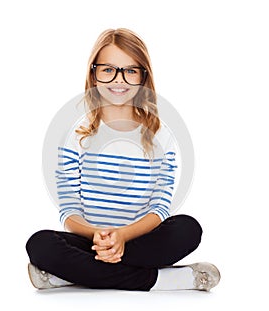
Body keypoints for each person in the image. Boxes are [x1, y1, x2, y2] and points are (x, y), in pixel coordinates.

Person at [26, 28, 220, 292]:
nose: (119, 80)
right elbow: (69, 207)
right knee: (40, 244)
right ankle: (164, 280)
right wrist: (99, 236)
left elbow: (160, 207)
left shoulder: (160, 135)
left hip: (141, 241)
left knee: (188, 229)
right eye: (108, 69)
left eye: (130, 70)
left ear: (143, 76)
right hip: (92, 241)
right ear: (93, 73)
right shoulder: (75, 134)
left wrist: (123, 237)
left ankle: (71, 276)